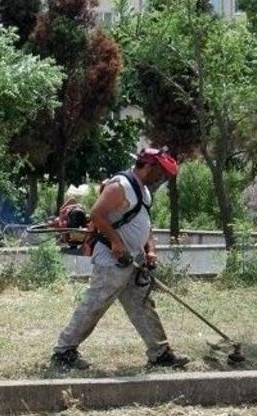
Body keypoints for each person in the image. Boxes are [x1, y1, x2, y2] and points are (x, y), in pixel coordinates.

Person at [50, 147, 190, 370]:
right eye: (160, 172)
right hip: (112, 260)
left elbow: (145, 225)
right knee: (94, 305)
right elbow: (97, 214)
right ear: (147, 166)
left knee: (143, 306)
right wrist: (116, 242)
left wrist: (150, 250)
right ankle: (63, 352)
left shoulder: (143, 192)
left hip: (133, 260)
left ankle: (160, 353)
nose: (162, 178)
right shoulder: (121, 186)